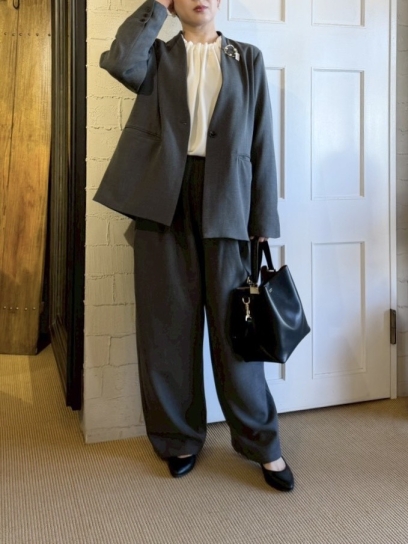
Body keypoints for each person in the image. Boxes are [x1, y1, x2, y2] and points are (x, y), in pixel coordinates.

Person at [94, 0, 294, 492]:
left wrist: (262, 218)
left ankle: (262, 443)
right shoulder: (158, 56)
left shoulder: (247, 58)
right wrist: (156, 8)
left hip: (228, 203)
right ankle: (178, 439)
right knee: (166, 328)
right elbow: (120, 62)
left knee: (237, 333)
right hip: (163, 200)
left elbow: (263, 140)